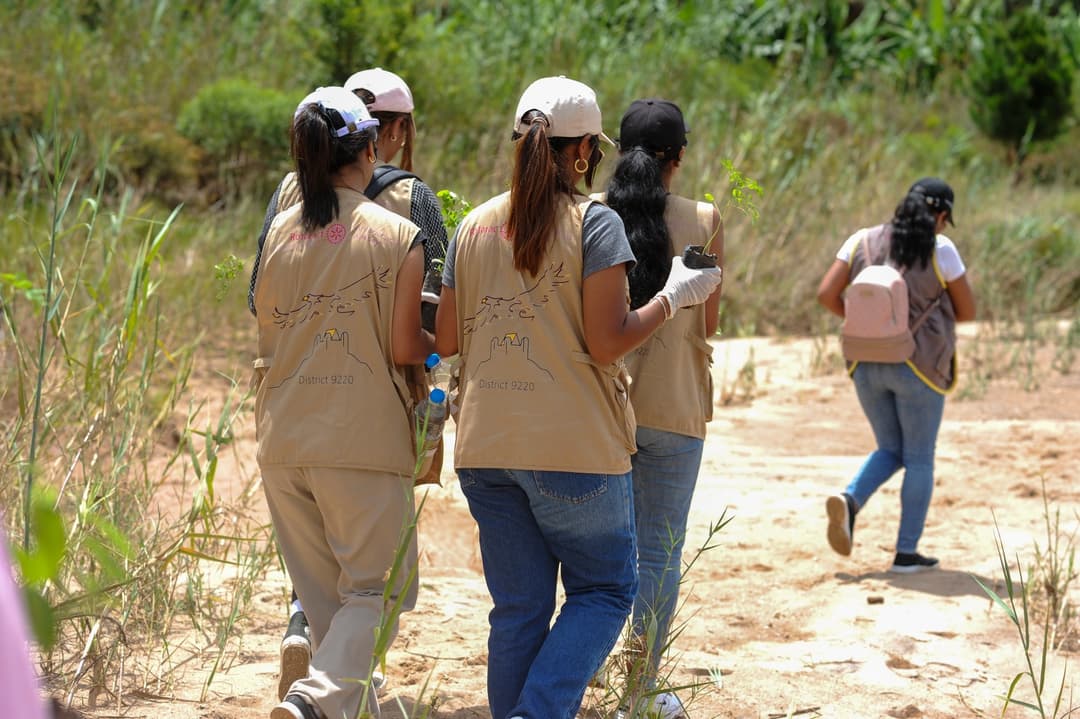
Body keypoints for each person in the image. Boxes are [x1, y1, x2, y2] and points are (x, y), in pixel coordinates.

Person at [434, 76, 723, 719]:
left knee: (518, 608)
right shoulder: (594, 223)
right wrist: (673, 296)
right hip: (574, 449)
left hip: (484, 448)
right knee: (605, 590)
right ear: (586, 149)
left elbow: (447, 337)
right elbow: (606, 342)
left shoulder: (474, 225)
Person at [247, 68, 448, 702]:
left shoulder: (279, 231)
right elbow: (405, 344)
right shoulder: (398, 233)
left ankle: (333, 703)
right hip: (360, 434)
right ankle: (312, 699)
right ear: (370, 147)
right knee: (381, 589)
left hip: (281, 436)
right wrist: (444, 345)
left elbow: (260, 308)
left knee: (327, 602)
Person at [597, 98, 722, 719]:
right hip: (674, 407)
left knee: (597, 553)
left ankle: (580, 667)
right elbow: (710, 320)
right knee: (661, 553)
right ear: (680, 156)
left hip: (601, 409)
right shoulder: (703, 219)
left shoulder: (592, 215)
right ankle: (640, 687)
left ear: (618, 152)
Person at [816, 177, 976, 573]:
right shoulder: (941, 248)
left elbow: (826, 294)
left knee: (891, 448)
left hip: (864, 363)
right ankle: (906, 553)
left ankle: (850, 501)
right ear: (941, 216)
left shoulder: (860, 240)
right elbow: (967, 310)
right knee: (919, 457)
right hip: (917, 367)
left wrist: (868, 324)